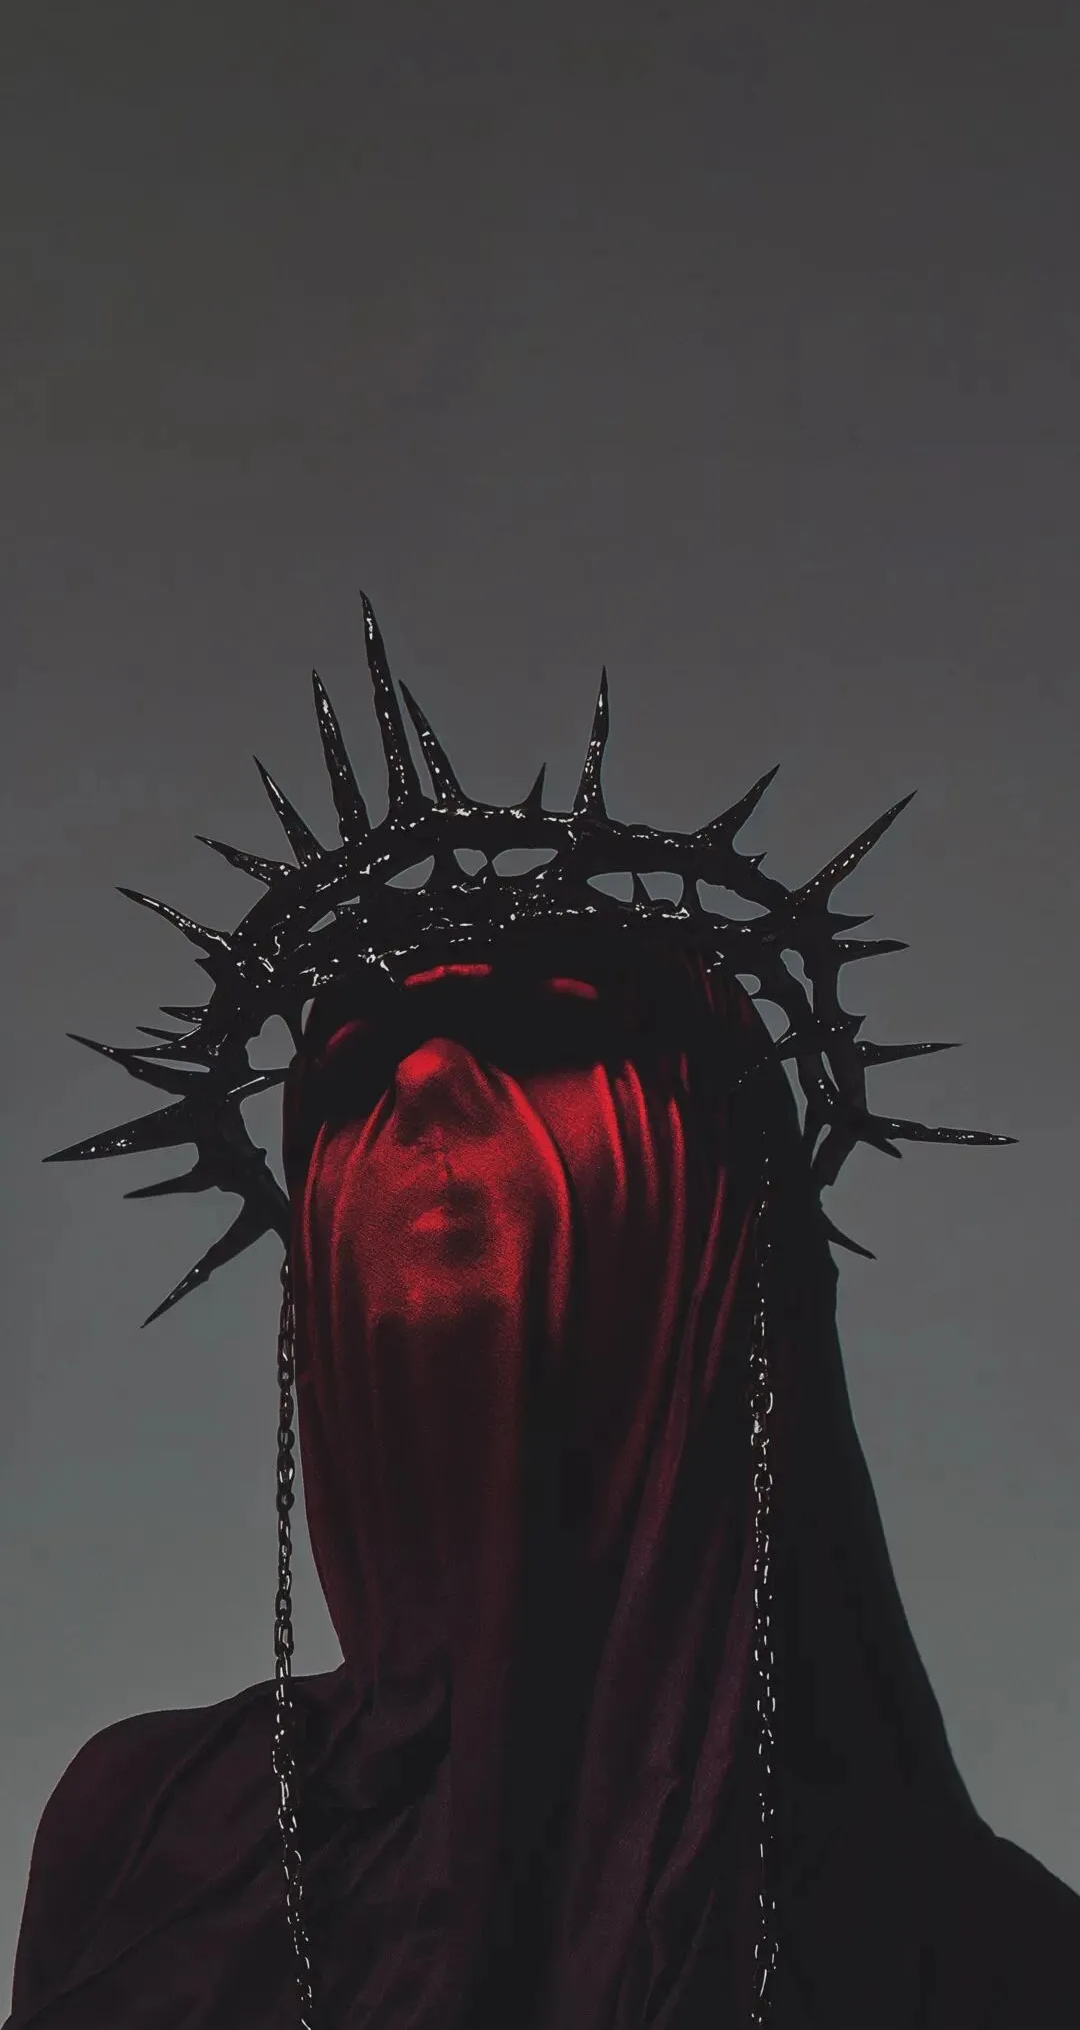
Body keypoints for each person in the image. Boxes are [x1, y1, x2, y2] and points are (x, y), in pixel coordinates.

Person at [7, 601, 1080, 2029]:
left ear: (712, 1232)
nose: (427, 1088)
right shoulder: (146, 1838)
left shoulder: (982, 1961)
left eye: (538, 1037)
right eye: (355, 1072)